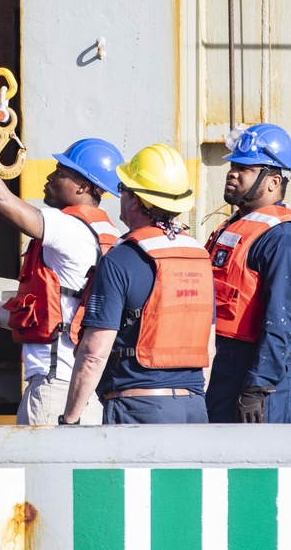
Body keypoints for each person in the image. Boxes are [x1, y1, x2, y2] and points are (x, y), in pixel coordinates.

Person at [0, 83, 123, 425]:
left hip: (53, 394)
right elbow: (50, 317)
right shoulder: (108, 234)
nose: (49, 177)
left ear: (83, 187)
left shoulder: (68, 229)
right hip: (84, 394)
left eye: (61, 173)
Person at [60, 144, 215, 425]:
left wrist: (70, 418)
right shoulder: (199, 257)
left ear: (135, 201)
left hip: (138, 408)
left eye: (123, 189)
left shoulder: (121, 259)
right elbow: (210, 345)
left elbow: (94, 353)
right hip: (194, 409)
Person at [204, 123, 291, 424]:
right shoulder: (235, 225)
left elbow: (282, 321)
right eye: (233, 165)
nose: (233, 173)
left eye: (246, 168)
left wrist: (258, 385)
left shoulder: (284, 240)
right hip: (227, 371)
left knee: (262, 471)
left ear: (273, 181)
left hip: (264, 380)